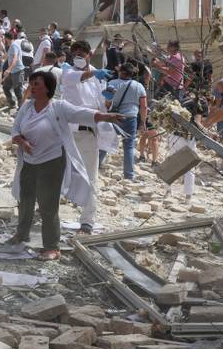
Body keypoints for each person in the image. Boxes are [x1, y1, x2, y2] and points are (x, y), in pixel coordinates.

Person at [9, 70, 122, 260]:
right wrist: (23, 142)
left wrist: (105, 116)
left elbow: (81, 113)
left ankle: (52, 247)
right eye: (31, 83)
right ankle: (21, 235)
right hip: (29, 161)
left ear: (47, 88)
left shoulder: (58, 107)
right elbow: (15, 130)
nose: (32, 87)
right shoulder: (27, 107)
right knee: (25, 200)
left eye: (36, 84)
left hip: (52, 161)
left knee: (48, 204)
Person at [60, 40, 112, 234]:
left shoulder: (98, 76)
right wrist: (94, 74)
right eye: (75, 55)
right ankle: (47, 210)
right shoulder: (68, 72)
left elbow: (101, 105)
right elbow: (78, 77)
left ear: (90, 55)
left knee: (91, 177)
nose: (78, 58)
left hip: (89, 133)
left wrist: (108, 99)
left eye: (82, 55)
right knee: (59, 173)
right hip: (68, 133)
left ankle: (87, 221)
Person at [104, 62, 147, 180]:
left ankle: (96, 167)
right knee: (129, 146)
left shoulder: (112, 83)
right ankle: (129, 175)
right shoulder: (139, 86)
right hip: (131, 118)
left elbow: (106, 102)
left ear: (120, 71)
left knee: (105, 142)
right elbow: (143, 106)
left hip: (113, 117)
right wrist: (143, 122)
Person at [2, 32, 25, 108]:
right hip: (12, 71)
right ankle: (12, 104)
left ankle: (21, 108)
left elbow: (15, 58)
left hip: (17, 71)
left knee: (18, 90)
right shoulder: (11, 46)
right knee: (6, 87)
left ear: (6, 38)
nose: (3, 39)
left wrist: (8, 70)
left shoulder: (14, 45)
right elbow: (7, 55)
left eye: (4, 38)